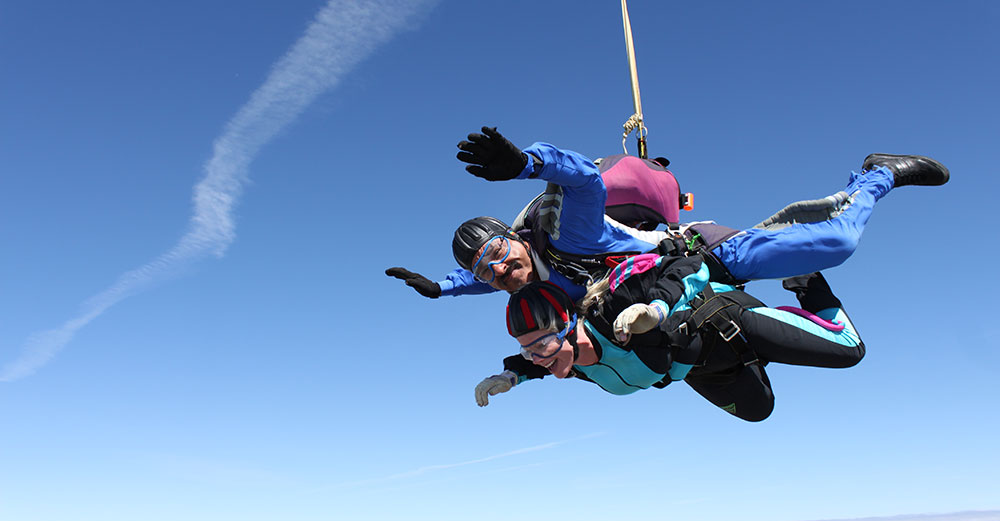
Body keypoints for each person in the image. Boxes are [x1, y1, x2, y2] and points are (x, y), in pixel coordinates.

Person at [387, 127, 949, 301]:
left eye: (502, 260)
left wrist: (526, 163)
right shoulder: (522, 271)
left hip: (705, 254)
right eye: (491, 275)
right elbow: (490, 276)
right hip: (669, 292)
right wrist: (442, 287)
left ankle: (878, 174)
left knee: (837, 245)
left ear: (517, 238)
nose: (503, 276)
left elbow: (582, 177)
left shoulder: (566, 232)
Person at [474, 253, 865, 422]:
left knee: (850, 351)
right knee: (759, 411)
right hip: (703, 370)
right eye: (528, 349)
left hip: (726, 325)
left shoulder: (616, 308)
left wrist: (657, 309)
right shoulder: (567, 360)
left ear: (567, 328)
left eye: (542, 345)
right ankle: (758, 362)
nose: (539, 358)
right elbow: (537, 363)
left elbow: (689, 265)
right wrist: (510, 376)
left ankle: (806, 279)